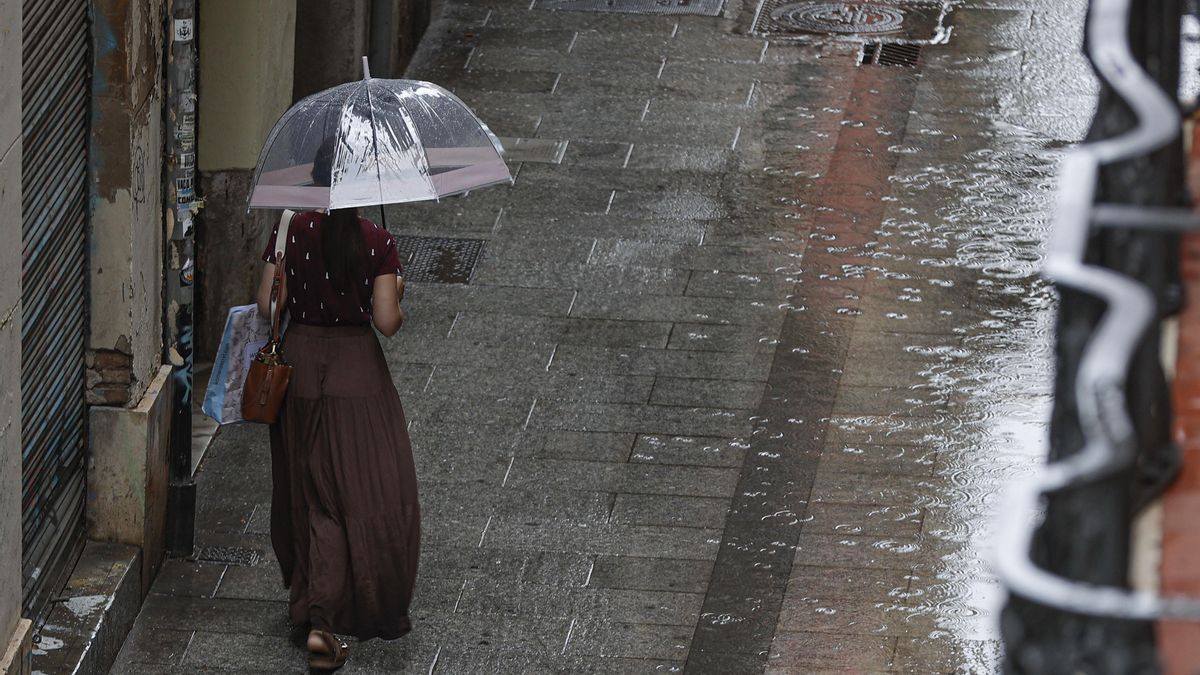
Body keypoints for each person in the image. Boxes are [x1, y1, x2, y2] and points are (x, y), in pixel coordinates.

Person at [256, 189, 419, 669]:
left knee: (311, 490)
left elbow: (268, 302)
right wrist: (399, 295)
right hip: (357, 375)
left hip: (300, 369)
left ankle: (315, 604)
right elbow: (387, 322)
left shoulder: (290, 231)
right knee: (364, 492)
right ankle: (327, 620)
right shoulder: (377, 241)